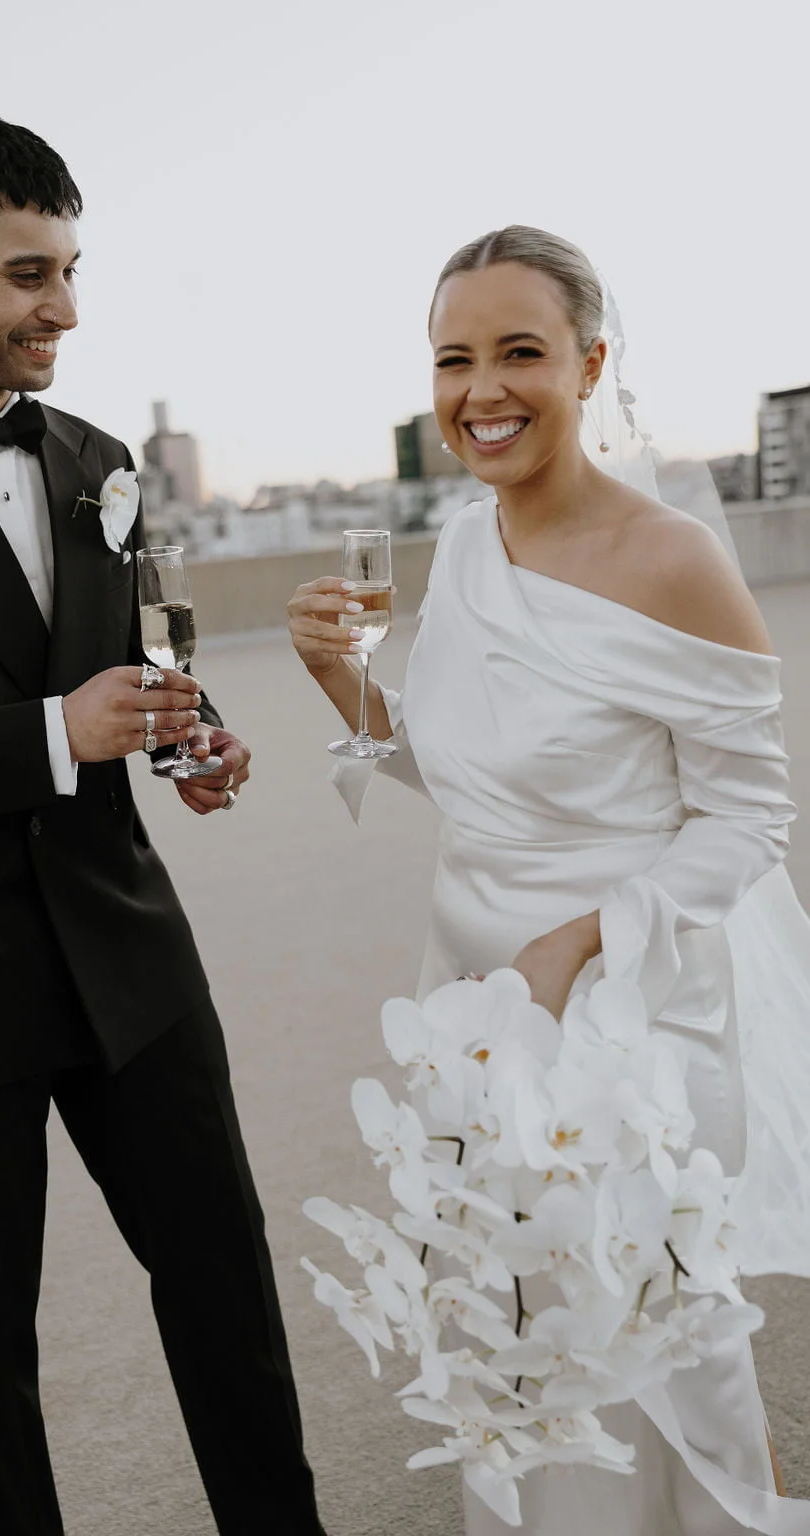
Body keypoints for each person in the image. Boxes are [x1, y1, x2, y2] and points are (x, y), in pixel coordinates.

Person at [0, 112, 327, 1536]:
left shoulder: (96, 456)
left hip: (126, 946)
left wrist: (191, 733)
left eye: (72, 270)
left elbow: (130, 655)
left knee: (225, 1276)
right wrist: (49, 736)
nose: (65, 309)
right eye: (29, 275)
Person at [287, 225, 810, 1533]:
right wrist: (340, 681)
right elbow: (472, 780)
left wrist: (583, 941)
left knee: (663, 1344)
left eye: (520, 351)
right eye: (452, 359)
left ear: (590, 364)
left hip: (632, 1014)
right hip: (472, 1007)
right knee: (511, 1331)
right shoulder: (464, 549)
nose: (482, 391)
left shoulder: (673, 560)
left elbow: (750, 815)